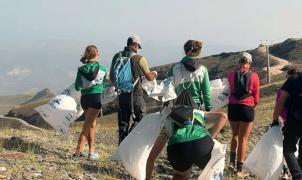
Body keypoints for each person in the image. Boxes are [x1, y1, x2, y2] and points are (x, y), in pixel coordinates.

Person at [146, 105, 228, 179]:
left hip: (177, 144)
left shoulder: (169, 119)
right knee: (213, 171)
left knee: (180, 175)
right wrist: (210, 136)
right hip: (202, 141)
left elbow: (151, 157)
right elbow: (223, 116)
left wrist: (147, 178)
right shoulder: (198, 112)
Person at [109, 35, 157, 144]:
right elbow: (149, 77)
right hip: (136, 95)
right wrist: (154, 74)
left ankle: (121, 148)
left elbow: (112, 77)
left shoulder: (117, 56)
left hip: (121, 94)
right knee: (141, 120)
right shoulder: (140, 59)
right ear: (135, 45)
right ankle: (135, 143)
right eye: (138, 46)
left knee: (123, 123)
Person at [227, 52, 260, 177]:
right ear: (250, 63)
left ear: (239, 62)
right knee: (243, 139)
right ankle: (239, 169)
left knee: (234, 135)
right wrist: (252, 105)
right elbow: (256, 97)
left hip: (233, 107)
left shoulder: (231, 75)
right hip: (247, 107)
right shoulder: (254, 76)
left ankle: (231, 162)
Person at [73, 45, 107, 159]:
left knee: (91, 124)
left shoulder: (81, 69)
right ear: (97, 54)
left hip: (84, 99)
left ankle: (91, 151)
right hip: (95, 98)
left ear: (86, 54)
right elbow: (105, 84)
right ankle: (78, 151)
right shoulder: (102, 69)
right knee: (88, 125)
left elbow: (77, 86)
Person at [272, 69, 302, 180]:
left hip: (294, 119)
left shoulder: (292, 81)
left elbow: (280, 101)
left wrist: (275, 120)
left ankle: (297, 175)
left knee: (288, 149)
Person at [167, 40, 212, 110]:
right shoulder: (203, 69)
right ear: (198, 52)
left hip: (178, 108)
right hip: (196, 107)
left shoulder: (174, 68)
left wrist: (166, 105)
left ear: (185, 51)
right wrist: (208, 107)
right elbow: (206, 92)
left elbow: (167, 88)